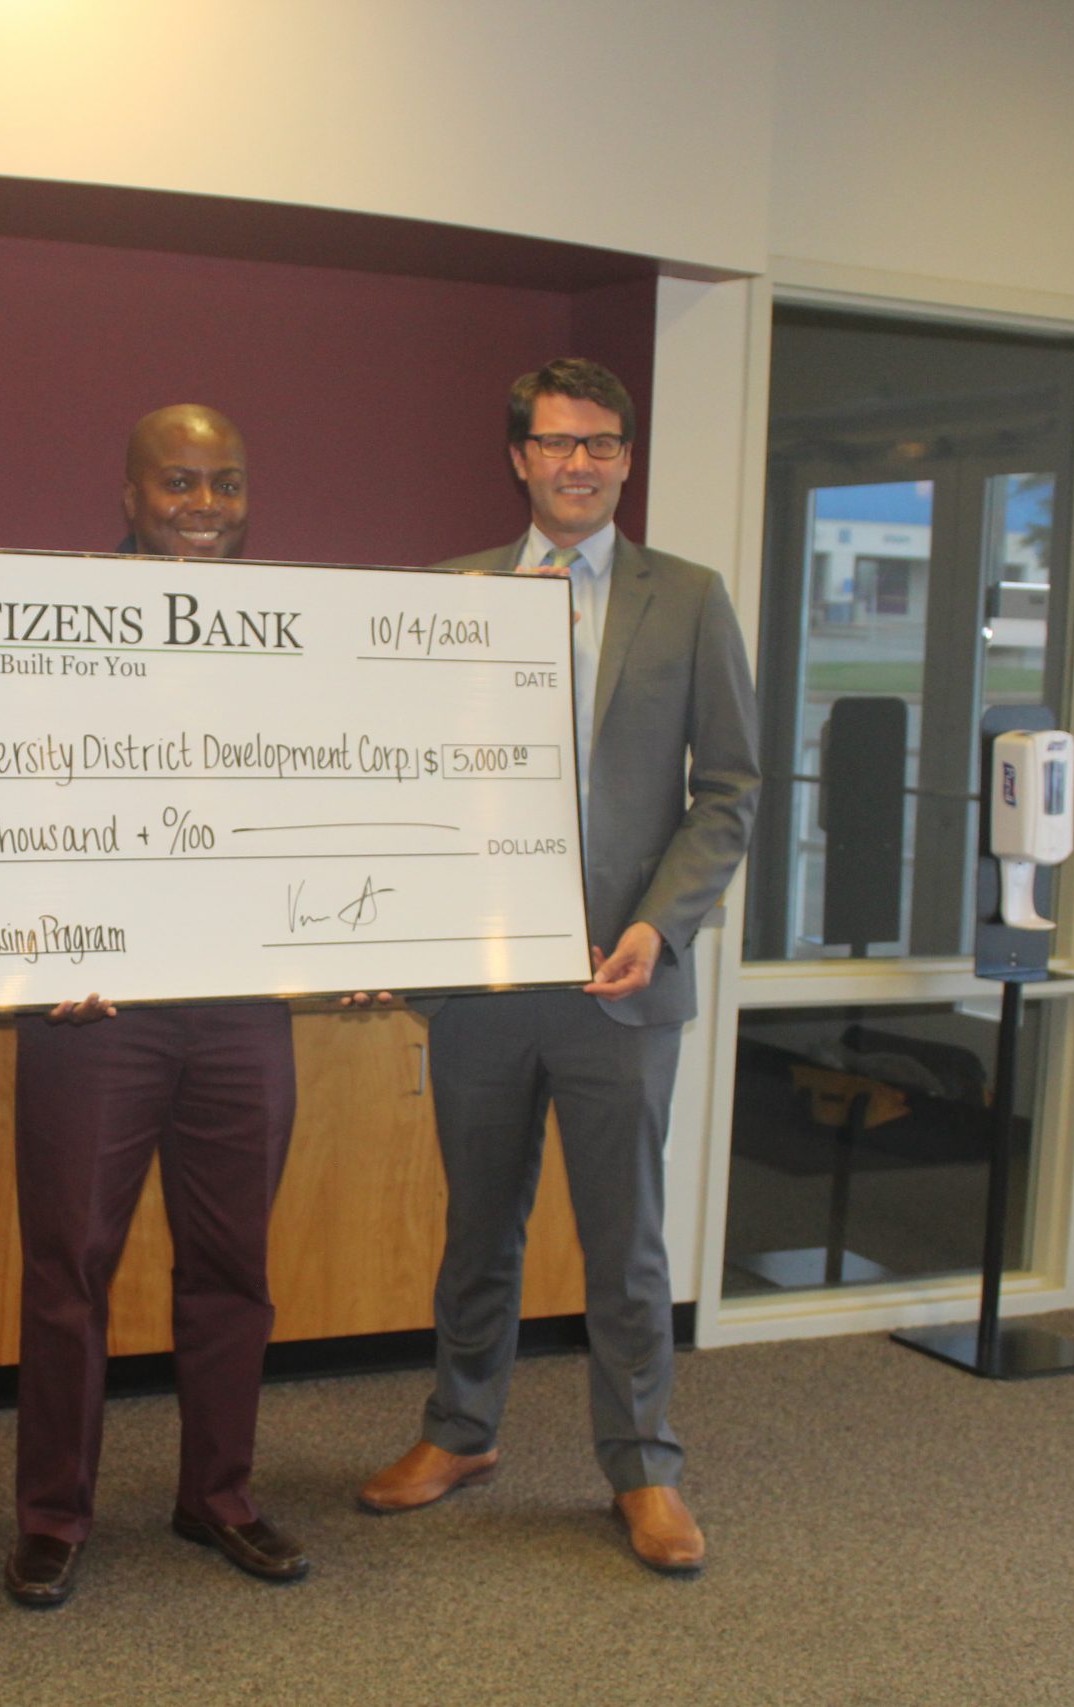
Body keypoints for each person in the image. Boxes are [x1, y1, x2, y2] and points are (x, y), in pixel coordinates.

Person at [356, 359, 758, 1574]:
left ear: (626, 459)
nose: (578, 463)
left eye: (600, 443)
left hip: (619, 981)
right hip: (480, 987)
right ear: (518, 459)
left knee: (624, 1237)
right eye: (554, 443)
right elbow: (401, 782)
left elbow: (729, 792)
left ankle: (643, 1465)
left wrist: (662, 923)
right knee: (479, 1224)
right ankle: (462, 1429)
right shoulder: (446, 597)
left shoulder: (685, 598)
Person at [4, 405, 308, 1607]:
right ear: (128, 495)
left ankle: (217, 1496)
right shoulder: (47, 632)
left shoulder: (295, 639)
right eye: (179, 482)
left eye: (226, 484)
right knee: (70, 1264)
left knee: (233, 1263)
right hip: (95, 1007)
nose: (204, 506)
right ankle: (52, 1514)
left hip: (243, 1004)